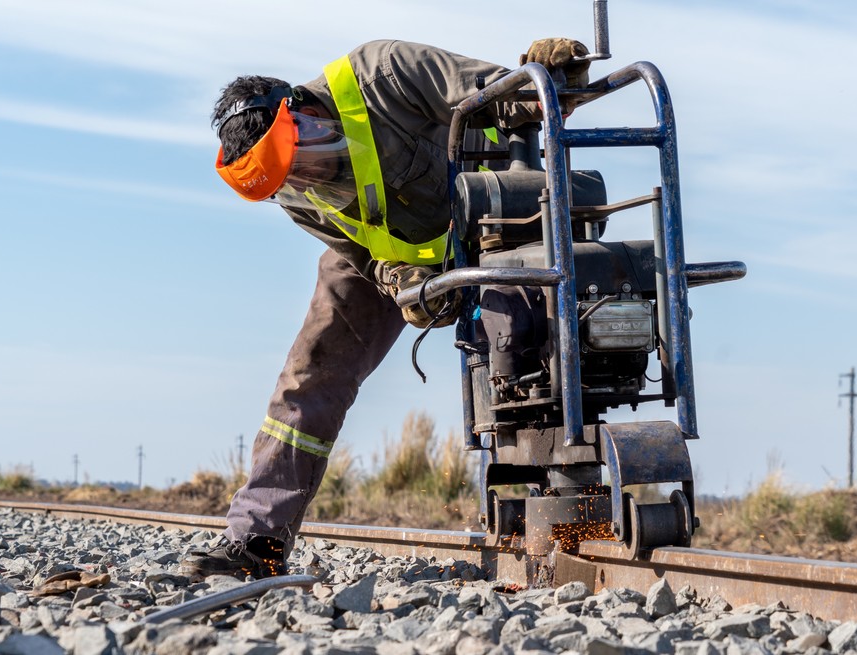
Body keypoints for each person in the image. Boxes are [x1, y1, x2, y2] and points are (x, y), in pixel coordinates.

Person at [181, 38, 590, 580]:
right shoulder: (293, 190)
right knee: (310, 377)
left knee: (527, 350)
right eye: (289, 183)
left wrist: (550, 78)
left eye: (304, 162)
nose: (306, 182)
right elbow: (358, 249)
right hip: (394, 260)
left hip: (498, 224)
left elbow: (502, 100)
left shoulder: (384, 74)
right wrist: (399, 278)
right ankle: (257, 541)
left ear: (303, 111)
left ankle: (571, 488)